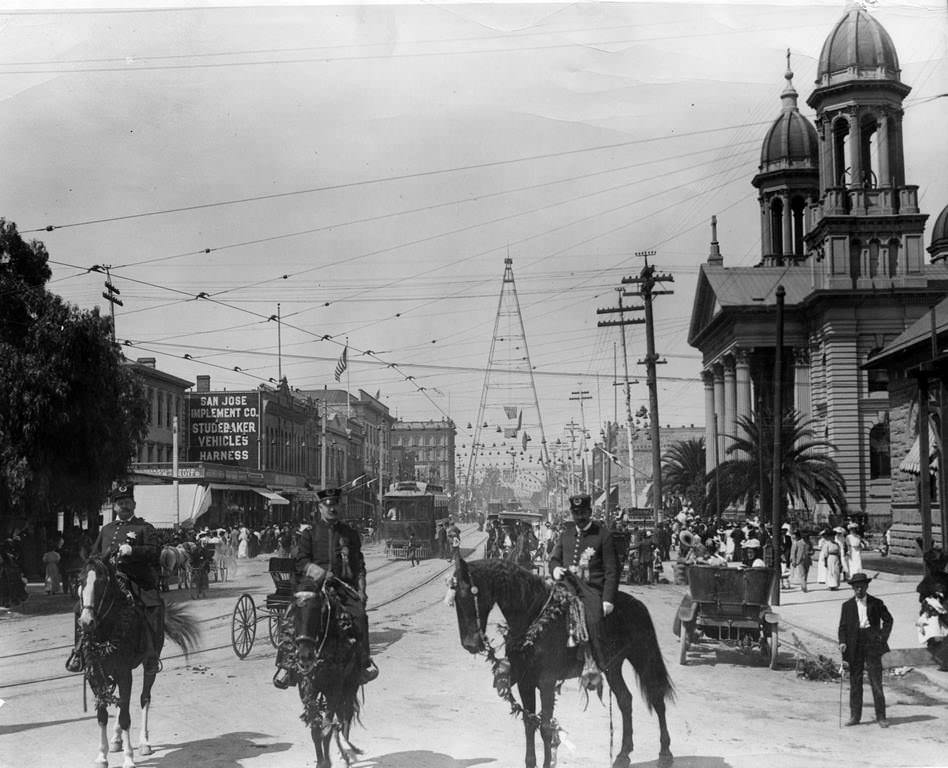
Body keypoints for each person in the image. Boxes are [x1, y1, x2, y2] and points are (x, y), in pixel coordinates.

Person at [273, 487, 378, 689]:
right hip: (313, 585)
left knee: (359, 616)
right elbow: (301, 561)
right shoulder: (309, 534)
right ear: (320, 508)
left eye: (335, 505)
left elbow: (359, 565)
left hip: (342, 586)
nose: (332, 509)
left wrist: (362, 590)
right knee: (293, 615)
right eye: (327, 506)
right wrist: (320, 573)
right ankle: (286, 666)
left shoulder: (350, 534)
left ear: (340, 507)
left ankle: (363, 664)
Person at [66, 482, 163, 674]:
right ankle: (79, 652)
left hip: (136, 579)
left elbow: (155, 552)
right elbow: (93, 558)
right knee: (80, 608)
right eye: (120, 503)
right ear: (115, 507)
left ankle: (151, 654)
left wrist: (133, 550)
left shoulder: (145, 528)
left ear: (134, 505)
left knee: (152, 607)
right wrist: (84, 582)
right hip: (106, 579)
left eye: (128, 502)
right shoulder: (107, 529)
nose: (124, 506)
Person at [549, 493, 618, 680]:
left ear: (590, 512)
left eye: (583, 513)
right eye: (575, 513)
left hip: (591, 590)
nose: (579, 517)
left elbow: (612, 571)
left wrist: (607, 600)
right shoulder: (565, 535)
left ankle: (593, 662)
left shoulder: (603, 535)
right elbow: (554, 559)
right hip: (565, 586)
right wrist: (555, 570)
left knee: (594, 620)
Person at [838, 572, 893, 728]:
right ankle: (855, 716)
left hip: (872, 643)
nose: (859, 590)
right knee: (855, 681)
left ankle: (881, 717)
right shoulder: (847, 606)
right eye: (856, 588)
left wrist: (882, 638)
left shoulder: (876, 603)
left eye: (861, 587)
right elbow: (842, 627)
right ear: (852, 588)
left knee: (876, 681)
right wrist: (842, 642)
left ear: (867, 586)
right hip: (854, 644)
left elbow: (889, 620)